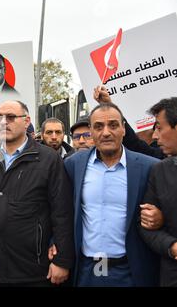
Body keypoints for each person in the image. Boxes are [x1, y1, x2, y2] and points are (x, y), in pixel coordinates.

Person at [0, 100, 74, 286]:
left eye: (11, 117)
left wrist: (62, 260)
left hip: (34, 270)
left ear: (26, 121)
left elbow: (62, 212)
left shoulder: (48, 159)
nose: (3, 122)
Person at [64, 102, 159, 286]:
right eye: (98, 126)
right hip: (86, 270)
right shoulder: (73, 164)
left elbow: (166, 209)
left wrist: (160, 217)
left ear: (124, 128)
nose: (106, 132)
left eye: (113, 125)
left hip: (130, 270)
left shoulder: (149, 167)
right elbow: (62, 210)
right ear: (91, 131)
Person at [139, 97, 177, 286]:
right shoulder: (159, 170)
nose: (155, 136)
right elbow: (147, 229)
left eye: (160, 128)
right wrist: (172, 246)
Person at [94, 85, 165, 159]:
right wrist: (109, 106)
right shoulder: (159, 156)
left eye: (160, 128)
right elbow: (135, 146)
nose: (154, 136)